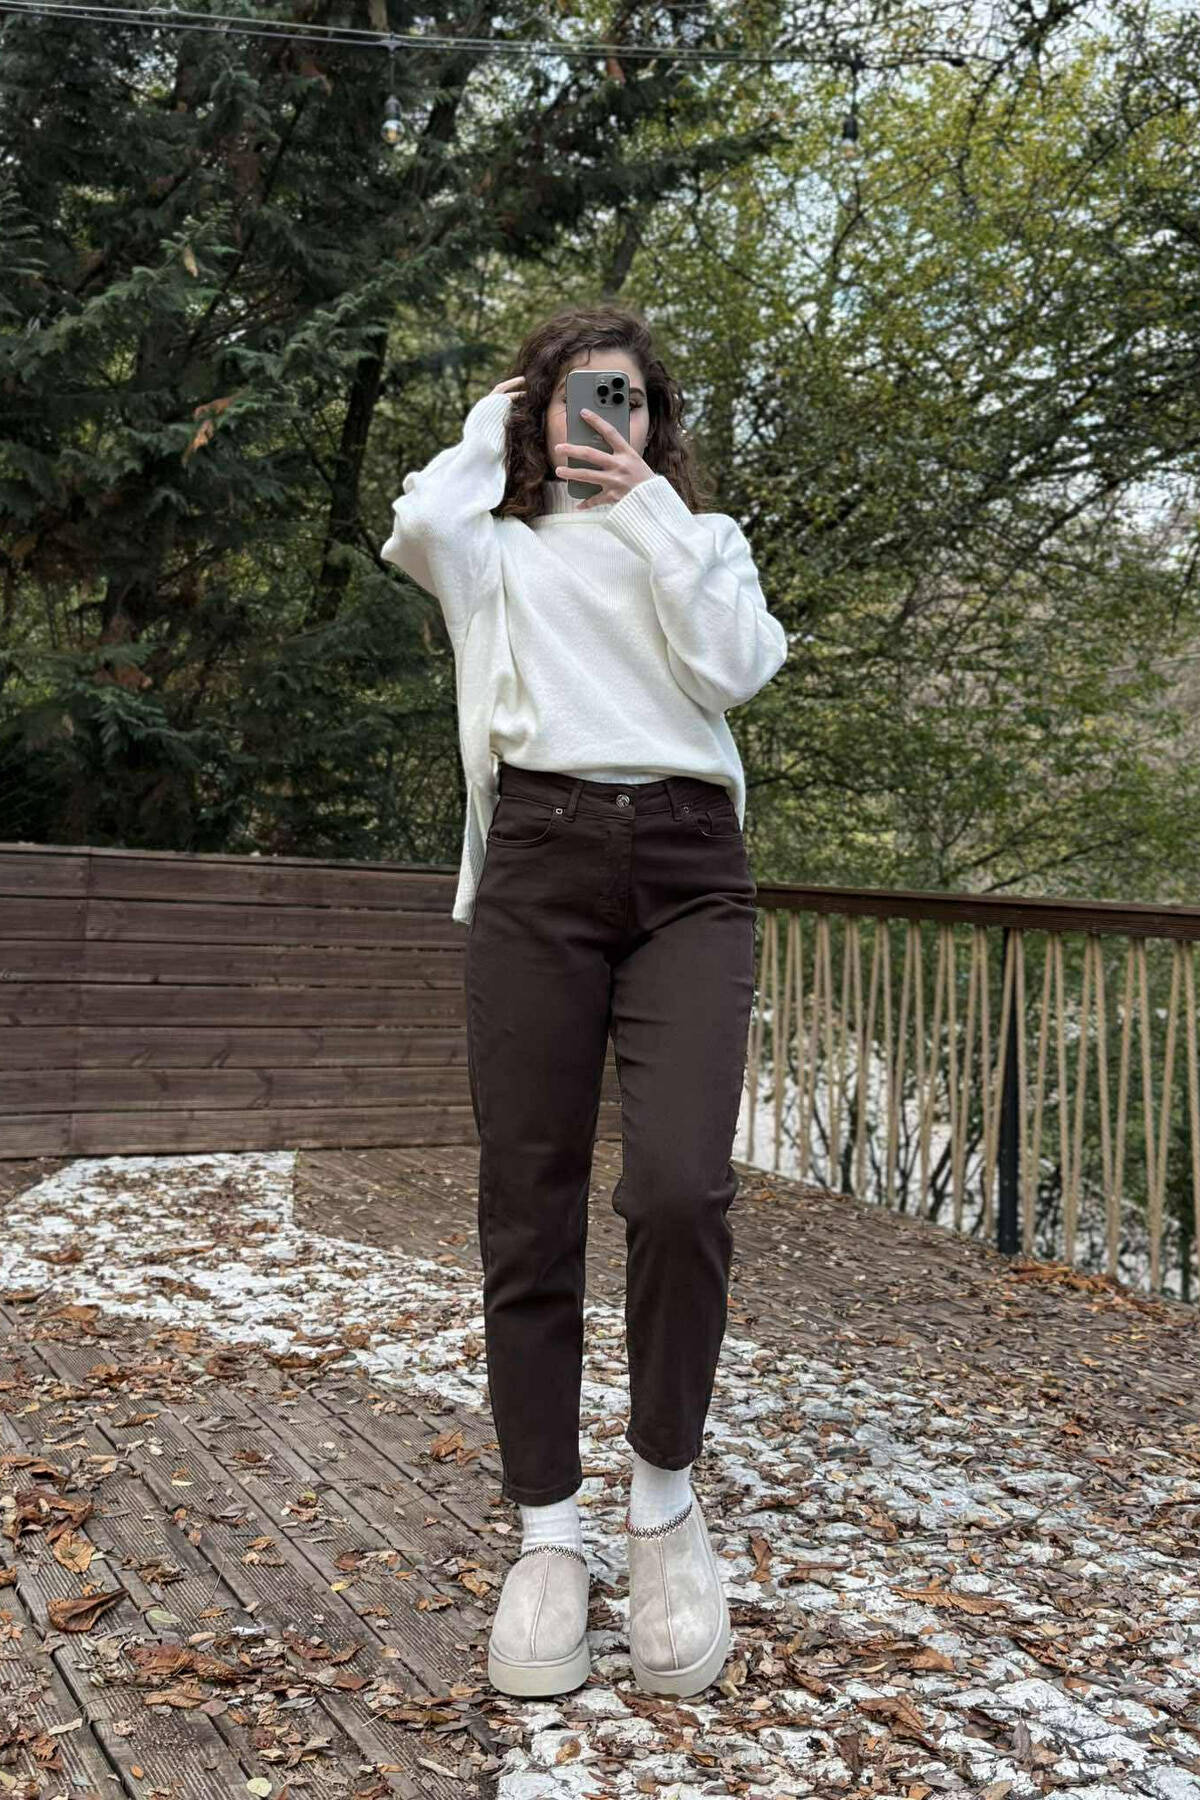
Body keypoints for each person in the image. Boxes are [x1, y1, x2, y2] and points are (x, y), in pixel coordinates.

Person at [379, 303, 788, 1701]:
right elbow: (417, 521)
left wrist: (656, 505)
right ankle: (548, 1533)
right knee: (529, 1198)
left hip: (689, 872)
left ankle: (663, 1503)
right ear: (532, 412)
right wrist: (502, 417)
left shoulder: (700, 539)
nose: (601, 419)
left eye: (627, 398)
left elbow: (735, 667)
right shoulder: (491, 546)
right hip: (539, 865)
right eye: (574, 396)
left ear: (658, 421)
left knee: (680, 1186)